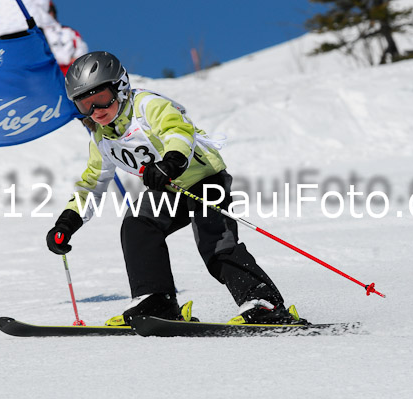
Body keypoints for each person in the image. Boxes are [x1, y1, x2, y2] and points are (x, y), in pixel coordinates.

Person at [46, 51, 307, 326]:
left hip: (203, 178)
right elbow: (92, 184)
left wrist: (171, 162)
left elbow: (177, 130)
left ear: (121, 87)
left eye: (100, 98)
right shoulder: (102, 138)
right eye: (84, 104)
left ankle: (264, 304)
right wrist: (67, 223)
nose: (95, 111)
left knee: (216, 244)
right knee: (137, 224)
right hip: (168, 190)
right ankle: (156, 300)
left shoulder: (146, 105)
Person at [43, 1, 88, 75]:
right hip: (52, 74)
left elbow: (81, 48)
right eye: (45, 11)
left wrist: (75, 60)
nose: (48, 14)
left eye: (50, 11)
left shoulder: (69, 31)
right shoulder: (39, 34)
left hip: (72, 73)